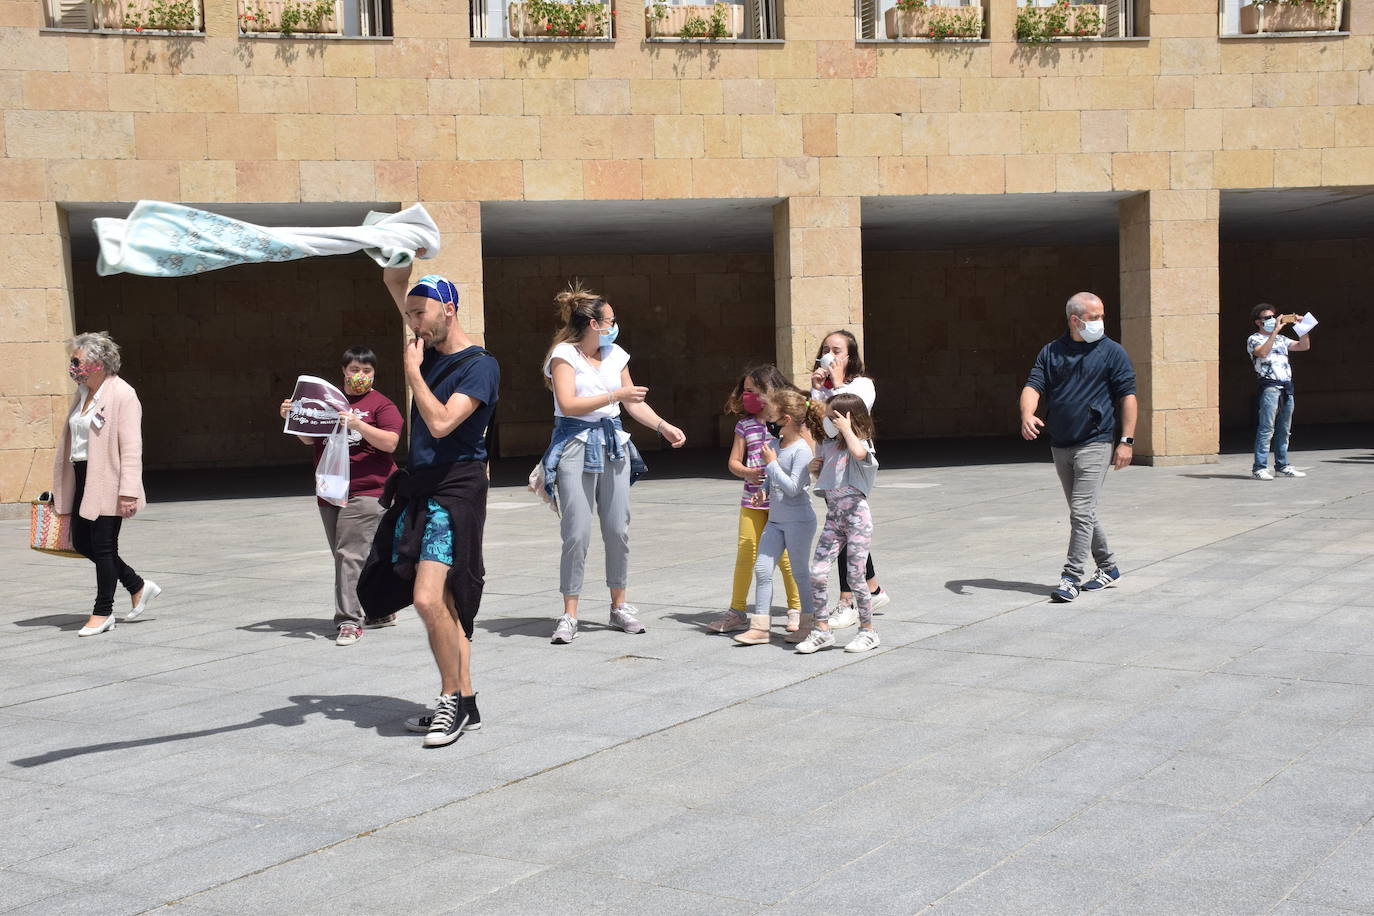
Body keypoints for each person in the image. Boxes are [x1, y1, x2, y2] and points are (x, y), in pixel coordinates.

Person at [359, 268, 500, 748]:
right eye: (410, 315)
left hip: (455, 490)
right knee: (445, 605)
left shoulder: (479, 365)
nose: (414, 323)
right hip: (421, 488)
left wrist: (414, 374)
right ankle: (467, 702)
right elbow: (401, 288)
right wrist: (396, 263)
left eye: (421, 314)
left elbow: (441, 423)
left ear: (449, 309)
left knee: (427, 597)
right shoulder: (427, 337)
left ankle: (449, 702)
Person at [539, 282, 687, 645]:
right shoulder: (564, 355)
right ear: (593, 324)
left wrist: (663, 425)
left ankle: (619, 605)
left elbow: (633, 403)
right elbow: (569, 404)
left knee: (618, 528)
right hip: (574, 441)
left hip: (613, 443)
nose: (614, 325)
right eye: (610, 320)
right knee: (576, 531)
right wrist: (615, 395)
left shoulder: (616, 354)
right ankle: (569, 613)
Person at [277, 347, 404, 646]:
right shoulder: (328, 402)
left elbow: (390, 442)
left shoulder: (381, 405)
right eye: (355, 370)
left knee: (349, 556)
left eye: (367, 371)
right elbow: (309, 438)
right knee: (348, 556)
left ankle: (349, 621)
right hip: (331, 489)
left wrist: (359, 424)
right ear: (343, 371)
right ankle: (379, 611)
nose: (360, 376)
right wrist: (293, 416)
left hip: (368, 490)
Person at [1020, 292, 1137, 604]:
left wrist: (1126, 440)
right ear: (1075, 320)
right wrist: (1027, 414)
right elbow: (1034, 385)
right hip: (1061, 443)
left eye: (1101, 316)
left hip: (1096, 441)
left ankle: (1071, 577)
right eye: (1094, 317)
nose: (1100, 322)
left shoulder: (1112, 352)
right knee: (1081, 511)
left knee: (1082, 510)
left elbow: (1127, 396)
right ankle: (1109, 567)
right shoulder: (1052, 352)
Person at [51, 332, 160, 637]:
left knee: (103, 545)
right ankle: (137, 585)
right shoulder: (84, 393)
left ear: (97, 363)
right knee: (82, 543)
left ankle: (103, 611)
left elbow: (132, 447)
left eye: (77, 361)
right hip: (82, 477)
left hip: (109, 479)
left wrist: (128, 492)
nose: (73, 367)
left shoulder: (123, 394)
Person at [708, 365, 804, 635]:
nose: (746, 396)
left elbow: (802, 456)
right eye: (745, 390)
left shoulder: (787, 423)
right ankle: (737, 611)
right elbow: (733, 463)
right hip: (752, 501)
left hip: (782, 502)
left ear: (769, 391)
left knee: (785, 558)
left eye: (752, 391)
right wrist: (749, 472)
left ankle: (795, 609)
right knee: (746, 552)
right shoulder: (745, 425)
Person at [809, 330, 890, 626]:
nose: (830, 355)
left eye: (837, 350)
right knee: (846, 532)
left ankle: (848, 602)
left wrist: (838, 381)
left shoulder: (862, 384)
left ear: (850, 356)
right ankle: (873, 590)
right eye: (826, 349)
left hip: (851, 470)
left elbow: (844, 419)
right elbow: (819, 427)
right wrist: (818, 390)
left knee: (848, 533)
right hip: (832, 470)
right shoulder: (823, 388)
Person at [795, 393, 882, 654]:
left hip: (857, 517)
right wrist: (815, 468)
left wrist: (847, 429)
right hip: (834, 518)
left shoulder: (862, 444)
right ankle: (821, 629)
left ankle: (868, 631)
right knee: (818, 572)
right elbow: (826, 477)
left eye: (833, 417)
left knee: (856, 576)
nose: (827, 422)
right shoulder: (828, 446)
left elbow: (858, 452)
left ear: (847, 419)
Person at [734, 388, 819, 646]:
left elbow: (794, 488)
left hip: (798, 520)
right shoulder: (773, 445)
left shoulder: (802, 450)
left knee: (800, 573)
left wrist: (771, 463)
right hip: (776, 520)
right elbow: (772, 481)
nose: (768, 421)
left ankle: (808, 624)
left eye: (772, 416)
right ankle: (760, 628)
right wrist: (761, 491)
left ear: (787, 419)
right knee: (762, 568)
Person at [1247, 304, 1311, 481]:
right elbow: (1262, 353)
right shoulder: (1254, 339)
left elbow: (1304, 346)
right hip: (1269, 387)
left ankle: (1282, 465)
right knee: (1267, 428)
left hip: (1286, 386)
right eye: (1267, 318)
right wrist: (1274, 332)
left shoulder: (1282, 339)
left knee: (1284, 429)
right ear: (1258, 322)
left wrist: (1302, 327)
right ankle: (1259, 467)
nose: (1272, 320)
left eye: (1273, 317)